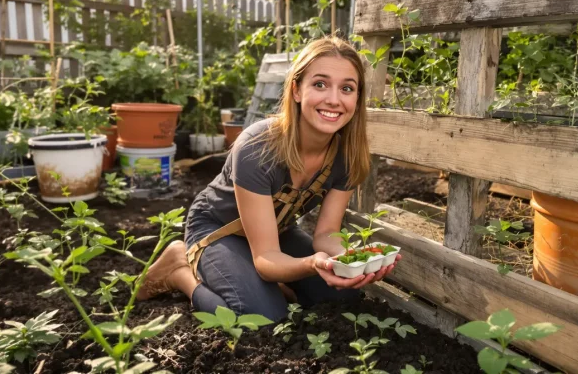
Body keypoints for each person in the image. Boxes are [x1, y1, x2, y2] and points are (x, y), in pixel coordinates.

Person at [137, 36, 400, 321]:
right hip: (218, 230)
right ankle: (180, 273)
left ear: (357, 98)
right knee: (261, 316)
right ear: (297, 90)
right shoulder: (257, 146)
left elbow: (325, 234)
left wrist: (354, 260)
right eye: (320, 84)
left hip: (275, 232)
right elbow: (266, 260)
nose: (334, 100)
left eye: (347, 88)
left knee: (340, 296)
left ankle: (262, 283)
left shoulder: (347, 155)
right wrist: (312, 264)